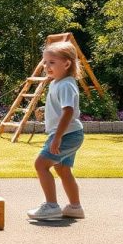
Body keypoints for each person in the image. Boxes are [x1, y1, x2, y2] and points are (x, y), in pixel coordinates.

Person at [27, 41, 85, 220]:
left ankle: (51, 206)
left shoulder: (66, 85)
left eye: (51, 62)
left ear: (67, 64)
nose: (46, 66)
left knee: (40, 165)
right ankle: (75, 207)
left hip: (66, 135)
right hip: (71, 134)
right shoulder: (59, 83)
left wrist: (57, 138)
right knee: (63, 170)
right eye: (45, 62)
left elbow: (68, 112)